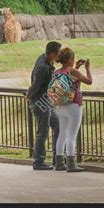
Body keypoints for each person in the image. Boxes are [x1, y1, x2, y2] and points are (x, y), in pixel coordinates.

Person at [53, 47, 92, 172]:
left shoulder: (57, 72)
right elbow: (89, 81)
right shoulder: (73, 71)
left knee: (62, 134)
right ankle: (71, 164)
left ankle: (59, 163)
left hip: (60, 106)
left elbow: (70, 78)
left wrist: (76, 67)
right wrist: (87, 68)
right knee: (71, 136)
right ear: (70, 59)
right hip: (73, 106)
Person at [27, 41, 62, 170]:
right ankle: (39, 162)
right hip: (40, 101)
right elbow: (36, 84)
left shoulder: (45, 60)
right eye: (58, 53)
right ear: (52, 54)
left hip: (47, 101)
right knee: (42, 132)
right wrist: (29, 94)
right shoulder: (43, 67)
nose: (59, 56)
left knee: (58, 125)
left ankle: (57, 158)